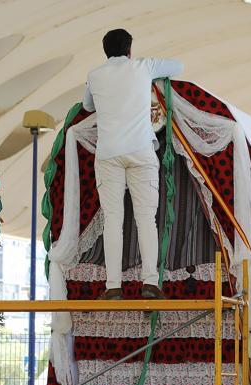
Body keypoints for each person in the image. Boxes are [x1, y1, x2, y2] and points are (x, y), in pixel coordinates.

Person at [83, 28, 183, 301]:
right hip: (140, 152)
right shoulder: (143, 67)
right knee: (146, 220)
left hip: (108, 155)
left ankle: (113, 286)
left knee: (113, 220)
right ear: (130, 50)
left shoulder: (94, 76)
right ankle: (150, 283)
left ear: (105, 52)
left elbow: (87, 106)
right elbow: (178, 66)